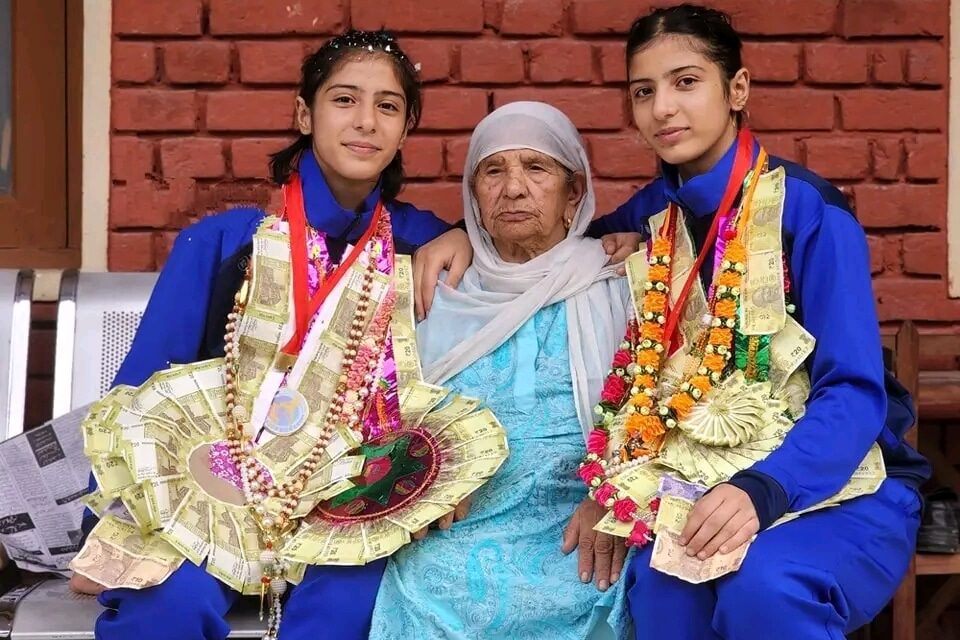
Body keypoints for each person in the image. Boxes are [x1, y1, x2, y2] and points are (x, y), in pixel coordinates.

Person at [412, 5, 930, 639]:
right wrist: (460, 235)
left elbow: (853, 392)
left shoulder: (809, 212)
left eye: (686, 82)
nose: (663, 108)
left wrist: (764, 489)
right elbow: (551, 237)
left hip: (831, 484)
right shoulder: (659, 210)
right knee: (658, 594)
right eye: (643, 91)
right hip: (706, 480)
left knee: (765, 592)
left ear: (737, 90)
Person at [76, 29, 453, 640]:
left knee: (344, 616)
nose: (365, 122)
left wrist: (458, 237)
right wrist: (113, 522)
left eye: (387, 106)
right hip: (220, 488)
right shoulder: (226, 242)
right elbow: (144, 387)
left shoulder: (419, 242)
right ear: (304, 113)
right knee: (164, 607)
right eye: (343, 100)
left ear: (406, 128)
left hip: (346, 499)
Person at [368, 100, 632, 639]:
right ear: (473, 194)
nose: (513, 188)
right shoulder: (438, 290)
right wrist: (418, 480)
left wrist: (614, 498)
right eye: (493, 171)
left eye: (536, 168)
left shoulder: (622, 281)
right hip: (455, 526)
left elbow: (660, 412)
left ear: (573, 192)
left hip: (583, 522)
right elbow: (382, 414)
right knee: (428, 586)